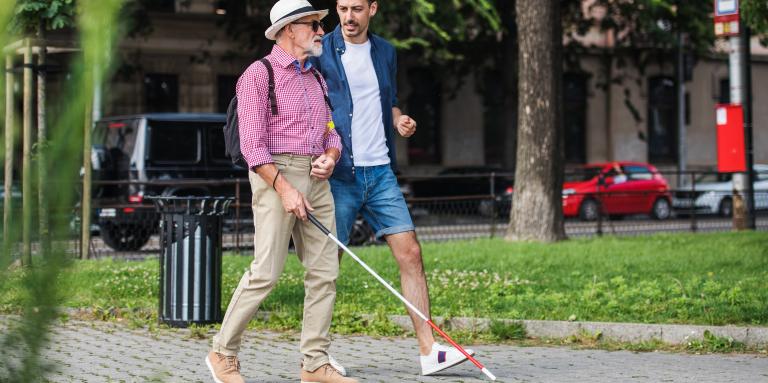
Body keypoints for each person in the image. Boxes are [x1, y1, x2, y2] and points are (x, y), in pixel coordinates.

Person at [311, 0, 474, 376]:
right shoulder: (322, 50)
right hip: (341, 174)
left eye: (356, 8)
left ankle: (429, 350)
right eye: (342, 8)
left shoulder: (385, 51)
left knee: (411, 253)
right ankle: (315, 356)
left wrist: (400, 120)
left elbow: (390, 102)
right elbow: (311, 106)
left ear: (373, 9)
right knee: (327, 265)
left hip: (381, 171)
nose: (348, 17)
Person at [205, 1, 356, 382]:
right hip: (276, 175)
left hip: (316, 174)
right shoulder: (258, 75)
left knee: (324, 272)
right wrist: (286, 189)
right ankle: (222, 353)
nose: (322, 31)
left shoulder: (315, 78)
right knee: (267, 272)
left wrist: (332, 154)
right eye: (314, 25)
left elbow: (330, 129)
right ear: (290, 29)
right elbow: (253, 147)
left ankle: (315, 364)